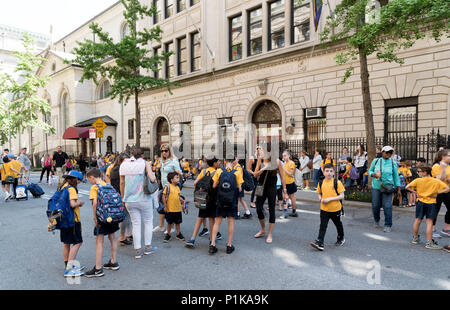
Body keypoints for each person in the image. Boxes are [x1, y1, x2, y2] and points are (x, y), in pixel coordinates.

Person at [120, 148, 158, 258]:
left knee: (135, 223)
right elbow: (152, 179)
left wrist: (123, 197)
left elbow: (122, 183)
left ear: (131, 154)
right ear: (142, 155)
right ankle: (148, 247)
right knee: (148, 221)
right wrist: (150, 171)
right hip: (144, 198)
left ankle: (138, 251)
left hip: (129, 199)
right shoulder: (145, 163)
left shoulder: (124, 164)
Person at [84, 168, 120, 277]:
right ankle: (113, 262)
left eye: (89, 179)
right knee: (112, 237)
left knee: (99, 241)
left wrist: (95, 218)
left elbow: (95, 204)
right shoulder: (108, 185)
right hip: (112, 216)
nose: (89, 181)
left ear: (92, 177)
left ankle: (98, 268)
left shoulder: (95, 187)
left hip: (102, 217)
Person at [406, 166, 450, 250]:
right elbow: (447, 188)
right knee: (429, 222)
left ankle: (415, 238)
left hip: (420, 201)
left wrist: (416, 192)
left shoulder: (418, 180)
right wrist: (437, 193)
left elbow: (407, 187)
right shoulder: (436, 181)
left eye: (419, 171)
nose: (418, 173)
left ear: (425, 172)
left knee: (417, 220)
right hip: (431, 202)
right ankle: (429, 242)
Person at [209, 157, 244, 255]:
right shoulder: (237, 172)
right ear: (233, 162)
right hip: (231, 201)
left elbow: (214, 185)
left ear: (224, 161)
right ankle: (229, 245)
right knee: (231, 222)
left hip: (220, 200)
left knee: (217, 221)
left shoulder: (219, 171)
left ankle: (212, 244)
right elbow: (240, 189)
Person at [185, 157, 221, 248]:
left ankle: (192, 238)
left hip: (203, 198)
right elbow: (215, 186)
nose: (219, 162)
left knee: (200, 218)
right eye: (218, 161)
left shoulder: (204, 171)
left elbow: (195, 183)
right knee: (211, 219)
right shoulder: (217, 172)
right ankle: (212, 239)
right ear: (214, 163)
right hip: (212, 199)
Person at [253, 152, 287, 244]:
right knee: (258, 208)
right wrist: (264, 168)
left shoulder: (277, 161)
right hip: (261, 186)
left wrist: (285, 191)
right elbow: (255, 175)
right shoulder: (260, 159)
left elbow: (282, 177)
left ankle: (270, 234)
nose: (262, 152)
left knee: (272, 209)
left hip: (272, 188)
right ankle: (263, 229)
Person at [310, 164, 346, 251]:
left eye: (331, 171)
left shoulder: (337, 182)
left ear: (334, 172)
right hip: (324, 209)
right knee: (323, 226)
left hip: (335, 209)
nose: (329, 173)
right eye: (327, 171)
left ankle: (341, 238)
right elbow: (319, 193)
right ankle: (320, 242)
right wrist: (320, 198)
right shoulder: (321, 182)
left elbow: (342, 196)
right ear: (323, 172)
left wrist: (330, 199)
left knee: (338, 224)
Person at [57, 171, 85, 277]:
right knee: (78, 242)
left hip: (63, 219)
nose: (79, 183)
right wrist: (80, 203)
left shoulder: (63, 186)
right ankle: (69, 269)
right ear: (75, 179)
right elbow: (73, 204)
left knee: (66, 242)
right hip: (73, 220)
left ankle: (67, 265)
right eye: (79, 181)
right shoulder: (72, 189)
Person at [368, 146, 401, 233]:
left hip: (388, 187)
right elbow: (369, 171)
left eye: (390, 153)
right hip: (376, 187)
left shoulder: (393, 163)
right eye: (386, 152)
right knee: (375, 205)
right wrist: (374, 175)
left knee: (387, 206)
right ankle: (376, 220)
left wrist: (398, 189)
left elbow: (396, 177)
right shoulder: (376, 161)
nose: (388, 154)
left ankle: (387, 224)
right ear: (382, 152)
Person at [153, 144, 182, 233]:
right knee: (161, 206)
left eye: (166, 151)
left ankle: (172, 226)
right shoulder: (162, 161)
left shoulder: (174, 161)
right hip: (163, 186)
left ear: (169, 151)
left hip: (171, 187)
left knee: (171, 206)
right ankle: (161, 225)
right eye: (162, 151)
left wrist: (178, 174)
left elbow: (179, 173)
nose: (164, 153)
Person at [110, 155, 132, 246]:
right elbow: (122, 183)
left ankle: (128, 234)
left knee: (127, 215)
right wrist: (123, 197)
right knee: (125, 216)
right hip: (121, 195)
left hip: (117, 194)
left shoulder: (114, 169)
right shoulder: (120, 170)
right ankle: (122, 237)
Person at [162, 172, 187, 243]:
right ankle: (168, 234)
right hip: (170, 209)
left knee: (178, 223)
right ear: (171, 180)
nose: (178, 178)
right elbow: (163, 196)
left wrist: (182, 200)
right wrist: (165, 206)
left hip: (177, 209)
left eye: (178, 177)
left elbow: (178, 196)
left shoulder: (177, 187)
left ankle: (178, 234)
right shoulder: (168, 187)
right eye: (177, 177)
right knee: (169, 223)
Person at [431, 149, 450, 237]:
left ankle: (446, 228)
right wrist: (443, 168)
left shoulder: (449, 165)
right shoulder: (436, 166)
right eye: (449, 155)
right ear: (443, 156)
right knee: (436, 209)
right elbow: (440, 180)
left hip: (448, 190)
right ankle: (432, 229)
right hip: (438, 190)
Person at [282, 150, 298, 217]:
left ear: (289, 156)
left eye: (285, 155)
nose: (284, 157)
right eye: (283, 156)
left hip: (289, 183)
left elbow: (290, 174)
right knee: (290, 198)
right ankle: (293, 212)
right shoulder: (285, 163)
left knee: (287, 198)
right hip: (286, 183)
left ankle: (286, 213)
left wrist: (283, 168)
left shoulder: (291, 163)